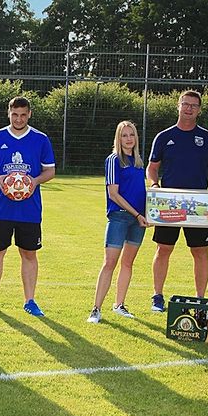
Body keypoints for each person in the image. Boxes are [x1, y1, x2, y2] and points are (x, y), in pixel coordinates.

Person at [0, 96, 55, 317]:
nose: (19, 118)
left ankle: (30, 300)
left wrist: (34, 181)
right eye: (14, 114)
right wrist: (0, 179)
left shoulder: (40, 139)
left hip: (29, 210)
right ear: (8, 113)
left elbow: (50, 170)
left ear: (29, 114)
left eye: (23, 114)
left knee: (29, 254)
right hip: (0, 209)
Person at [147, 90, 208, 311]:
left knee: (200, 251)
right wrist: (154, 186)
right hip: (169, 203)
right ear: (178, 106)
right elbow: (152, 168)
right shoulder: (163, 136)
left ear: (199, 110)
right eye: (185, 104)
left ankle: (200, 298)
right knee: (163, 249)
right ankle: (157, 296)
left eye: (194, 105)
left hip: (199, 206)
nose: (189, 108)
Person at [88, 121, 148, 323]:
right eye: (124, 135)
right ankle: (96, 309)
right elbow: (113, 194)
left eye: (132, 134)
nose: (129, 138)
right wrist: (136, 214)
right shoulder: (113, 160)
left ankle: (119, 305)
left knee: (128, 263)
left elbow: (142, 192)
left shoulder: (139, 161)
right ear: (118, 138)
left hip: (138, 220)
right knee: (109, 263)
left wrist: (150, 213)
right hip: (120, 217)